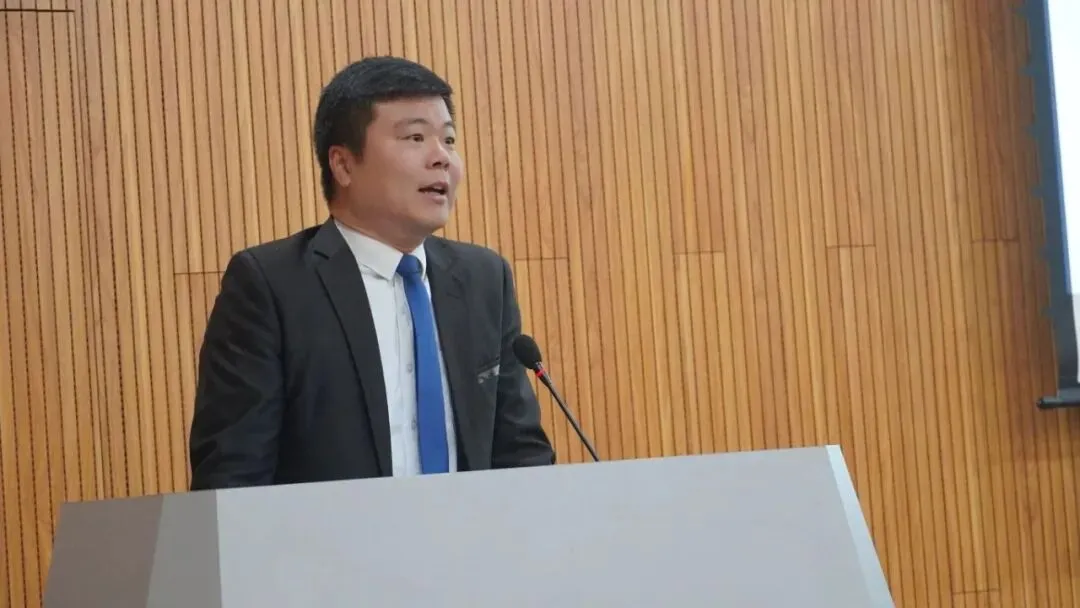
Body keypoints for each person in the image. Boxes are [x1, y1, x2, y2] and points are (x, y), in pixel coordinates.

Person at [188, 56, 556, 490]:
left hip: (473, 533)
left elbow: (521, 453)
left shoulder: (483, 279)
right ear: (343, 165)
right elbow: (233, 476)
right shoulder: (271, 286)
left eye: (449, 139)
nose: (441, 158)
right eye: (415, 137)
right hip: (327, 535)